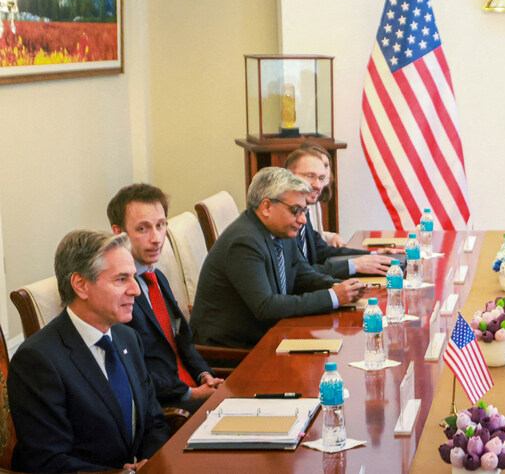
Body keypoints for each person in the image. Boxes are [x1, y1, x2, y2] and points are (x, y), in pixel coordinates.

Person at [8, 231, 171, 472]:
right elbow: (47, 461)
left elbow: (154, 421)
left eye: (133, 277)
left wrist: (151, 463)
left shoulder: (128, 338)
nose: (136, 289)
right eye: (121, 279)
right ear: (81, 285)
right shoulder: (38, 360)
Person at [190, 167, 365, 348]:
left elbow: (302, 273)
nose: (303, 220)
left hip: (270, 334)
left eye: (304, 211)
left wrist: (338, 287)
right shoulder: (244, 242)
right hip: (232, 348)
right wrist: (332, 297)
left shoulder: (281, 230)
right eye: (296, 210)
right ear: (266, 207)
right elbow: (266, 307)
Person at [107, 183, 223, 413]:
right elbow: (133, 370)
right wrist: (189, 393)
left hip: (194, 391)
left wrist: (204, 375)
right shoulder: (117, 293)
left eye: (160, 226)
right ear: (118, 233)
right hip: (166, 408)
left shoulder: (156, 276)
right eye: (143, 229)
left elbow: (183, 341)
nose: (157, 238)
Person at [285, 144, 393, 279]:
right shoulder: (284, 218)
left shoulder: (303, 211)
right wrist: (354, 265)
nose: (318, 185)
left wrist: (374, 256)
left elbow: (321, 251)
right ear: (289, 174)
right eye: (310, 176)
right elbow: (299, 274)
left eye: (321, 178)